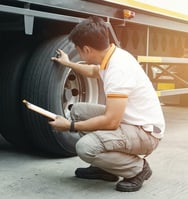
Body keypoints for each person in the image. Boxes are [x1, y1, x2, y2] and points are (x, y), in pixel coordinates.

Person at [50, 16, 165, 192]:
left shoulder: (117, 70)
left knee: (85, 148)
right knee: (78, 110)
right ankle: (105, 169)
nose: (79, 53)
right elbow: (94, 71)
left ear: (87, 49)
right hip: (131, 122)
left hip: (145, 133)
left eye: (78, 51)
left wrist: (70, 126)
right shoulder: (111, 55)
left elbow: (111, 121)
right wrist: (69, 63)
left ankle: (137, 169)